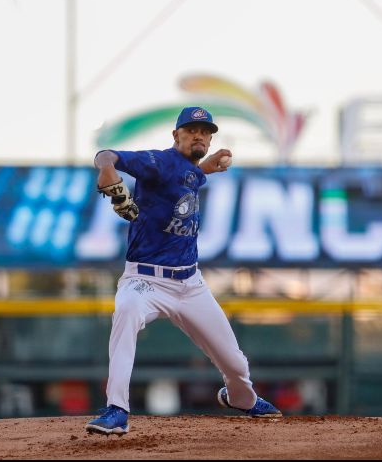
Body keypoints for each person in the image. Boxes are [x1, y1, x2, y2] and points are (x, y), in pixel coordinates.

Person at [84, 106, 282, 436]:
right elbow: (107, 155)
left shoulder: (190, 170)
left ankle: (240, 399)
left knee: (235, 364)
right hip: (144, 279)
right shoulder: (159, 162)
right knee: (126, 313)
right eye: (192, 130)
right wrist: (107, 171)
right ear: (176, 135)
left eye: (205, 131)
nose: (200, 135)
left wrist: (208, 168)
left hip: (190, 283)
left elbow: (187, 178)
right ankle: (116, 409)